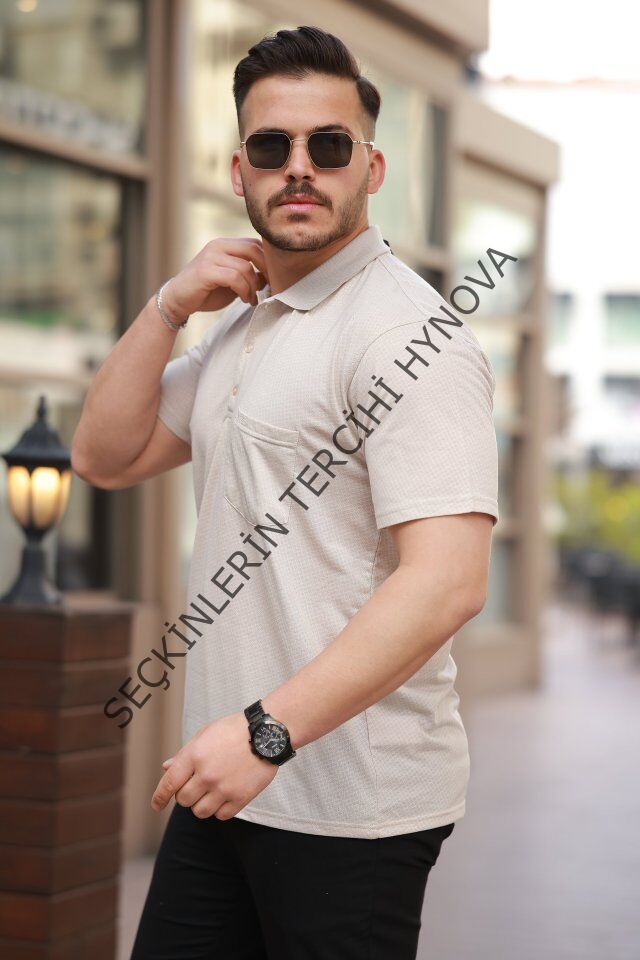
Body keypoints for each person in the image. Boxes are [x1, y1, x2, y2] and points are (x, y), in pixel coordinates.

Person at [72, 24, 499, 960]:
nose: (299, 167)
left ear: (371, 168)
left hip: (350, 808)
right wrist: (169, 305)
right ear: (239, 172)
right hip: (222, 781)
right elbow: (104, 455)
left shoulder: (407, 338)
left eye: (328, 145)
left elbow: (447, 582)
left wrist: (265, 734)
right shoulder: (246, 322)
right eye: (272, 147)